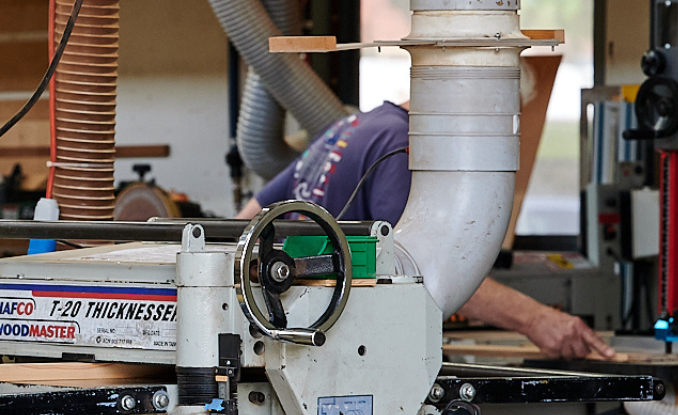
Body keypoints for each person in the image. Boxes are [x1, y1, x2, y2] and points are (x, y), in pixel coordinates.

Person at [235, 101, 616, 360]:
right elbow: (427, 268)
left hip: (293, 332)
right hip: (336, 345)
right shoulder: (400, 145)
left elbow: (242, 223)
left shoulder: (350, 127)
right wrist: (536, 319)